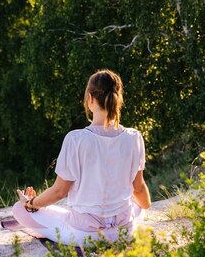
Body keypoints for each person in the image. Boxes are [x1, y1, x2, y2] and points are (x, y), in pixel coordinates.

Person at [12, 69, 151, 246]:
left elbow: (59, 192)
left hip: (84, 235)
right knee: (137, 204)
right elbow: (138, 188)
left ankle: (29, 206)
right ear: (118, 99)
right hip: (124, 232)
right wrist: (145, 207)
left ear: (91, 99)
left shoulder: (76, 139)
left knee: (19, 209)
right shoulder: (134, 137)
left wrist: (31, 204)